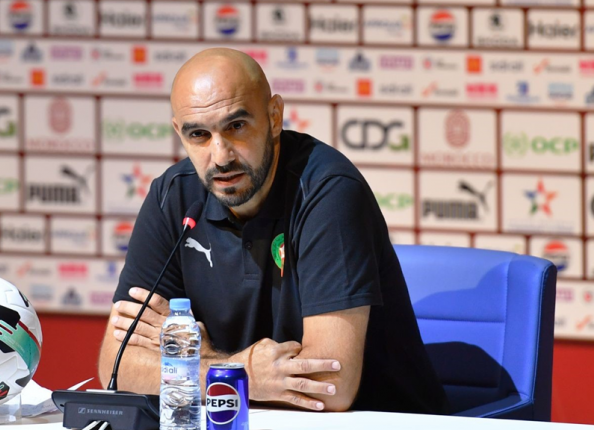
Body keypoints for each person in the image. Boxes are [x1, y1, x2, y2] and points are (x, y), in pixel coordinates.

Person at [98, 48, 449, 414]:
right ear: (179, 133)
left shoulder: (328, 191)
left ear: (274, 116)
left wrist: (202, 363)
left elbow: (331, 387)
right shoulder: (172, 197)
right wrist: (239, 371)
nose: (220, 156)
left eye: (236, 126)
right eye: (199, 135)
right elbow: (116, 367)